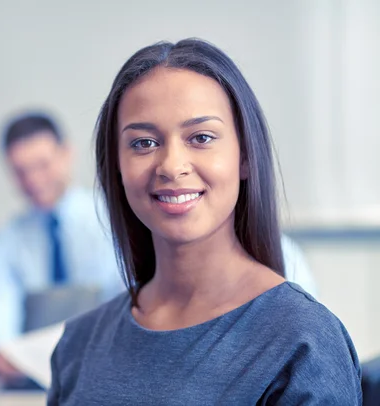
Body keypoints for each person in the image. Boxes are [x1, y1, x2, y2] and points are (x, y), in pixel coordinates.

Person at [48, 39, 361, 404]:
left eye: (201, 137)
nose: (171, 165)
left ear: (244, 156)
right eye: (144, 143)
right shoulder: (78, 345)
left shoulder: (301, 341)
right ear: (116, 167)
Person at [0, 112, 121, 378]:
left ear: (66, 154)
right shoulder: (5, 240)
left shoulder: (113, 218)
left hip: (106, 363)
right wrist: (1, 352)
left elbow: (130, 298)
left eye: (42, 165)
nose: (33, 180)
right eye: (21, 171)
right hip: (32, 376)